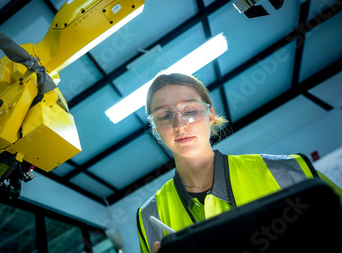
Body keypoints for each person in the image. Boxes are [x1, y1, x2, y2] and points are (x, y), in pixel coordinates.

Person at [136, 73, 342, 253]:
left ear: (210, 115)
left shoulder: (288, 171)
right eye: (164, 115)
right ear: (154, 128)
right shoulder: (149, 216)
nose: (179, 125)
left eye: (190, 111)